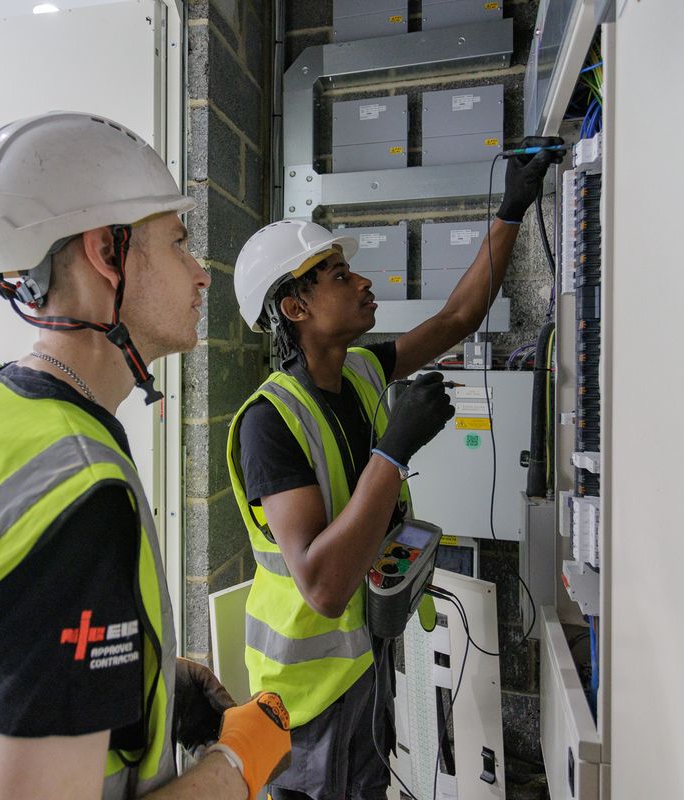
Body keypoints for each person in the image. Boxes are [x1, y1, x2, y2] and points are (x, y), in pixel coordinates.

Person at [0, 111, 291, 800]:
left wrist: (141, 678)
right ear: (106, 253)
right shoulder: (75, 491)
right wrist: (236, 764)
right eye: (179, 243)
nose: (200, 273)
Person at [226, 137, 565, 799]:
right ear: (294, 308)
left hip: (362, 659)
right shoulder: (270, 424)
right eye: (336, 275)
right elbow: (322, 585)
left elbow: (458, 317)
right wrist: (392, 451)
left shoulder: (356, 372)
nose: (363, 281)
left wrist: (510, 211)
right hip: (306, 701)